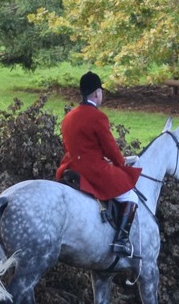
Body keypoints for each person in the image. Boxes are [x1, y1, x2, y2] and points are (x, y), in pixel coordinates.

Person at [56, 71, 143, 260]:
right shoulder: (97, 117)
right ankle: (121, 241)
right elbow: (110, 148)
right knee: (131, 196)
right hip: (92, 170)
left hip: (69, 167)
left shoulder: (68, 117)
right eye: (101, 92)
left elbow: (67, 146)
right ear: (96, 93)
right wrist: (120, 163)